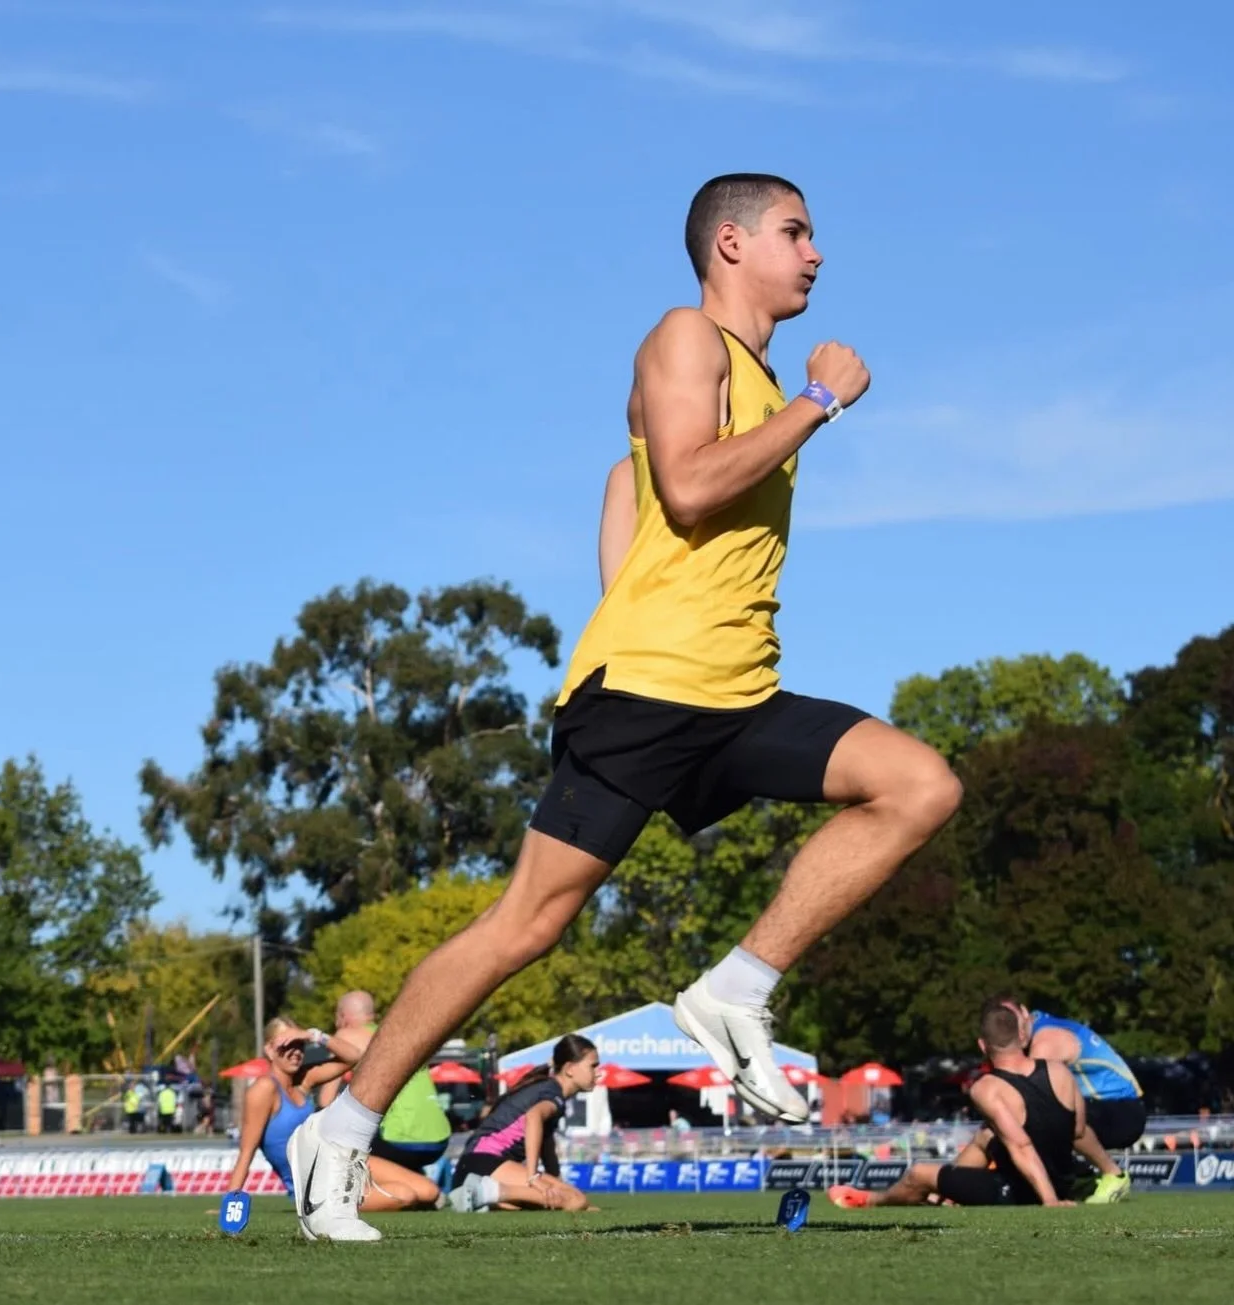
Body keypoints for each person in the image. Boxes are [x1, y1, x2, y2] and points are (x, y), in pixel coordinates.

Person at [290, 172, 962, 1241]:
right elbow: (690, 487)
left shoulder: (735, 376)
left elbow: (633, 496)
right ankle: (343, 1126)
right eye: (797, 231)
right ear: (731, 244)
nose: (818, 252)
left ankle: (735, 988)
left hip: (735, 693)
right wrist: (818, 405)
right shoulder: (686, 337)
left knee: (918, 783)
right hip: (652, 695)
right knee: (527, 925)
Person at [828, 1000, 1079, 1209]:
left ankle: (872, 1200)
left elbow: (1022, 1145)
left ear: (982, 1045)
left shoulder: (986, 1087)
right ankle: (945, 1195)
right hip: (1063, 1182)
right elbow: (1078, 1130)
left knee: (918, 1174)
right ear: (1022, 1036)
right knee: (985, 1136)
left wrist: (1050, 1201)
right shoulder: (1060, 1071)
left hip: (1021, 1191)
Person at [226, 1019, 443, 1223]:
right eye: (287, 1045)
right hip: (316, 1188)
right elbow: (246, 1152)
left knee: (429, 1191)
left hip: (341, 1159)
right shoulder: (264, 1089)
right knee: (405, 1194)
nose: (295, 1052)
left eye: (299, 1044)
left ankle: (388, 1202)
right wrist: (231, 1204)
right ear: (269, 1050)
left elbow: (353, 1057)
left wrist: (313, 1035)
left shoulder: (305, 1080)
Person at [999, 998, 1142, 1204]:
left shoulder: (1046, 1040)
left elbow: (1027, 1094)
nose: (1017, 1034)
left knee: (1054, 1115)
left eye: (1017, 1025)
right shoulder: (1036, 1026)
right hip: (1105, 1106)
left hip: (1123, 1112)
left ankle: (1114, 1174)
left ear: (1024, 1012)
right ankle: (1081, 1176)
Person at [451, 1035, 598, 1213]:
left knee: (574, 1200)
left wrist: (557, 1181)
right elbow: (533, 1117)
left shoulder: (551, 1091)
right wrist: (533, 1176)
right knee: (575, 1200)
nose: (597, 1072)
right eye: (593, 1066)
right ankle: (484, 1192)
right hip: (482, 1164)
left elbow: (547, 1145)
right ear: (569, 1069)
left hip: (474, 1165)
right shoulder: (553, 1094)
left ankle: (485, 1199)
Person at [314, 991, 453, 1175]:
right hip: (439, 1139)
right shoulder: (399, 1035)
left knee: (331, 1136)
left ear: (343, 1016)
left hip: (399, 1140)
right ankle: (419, 1183)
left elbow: (325, 1101)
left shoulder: (346, 1035)